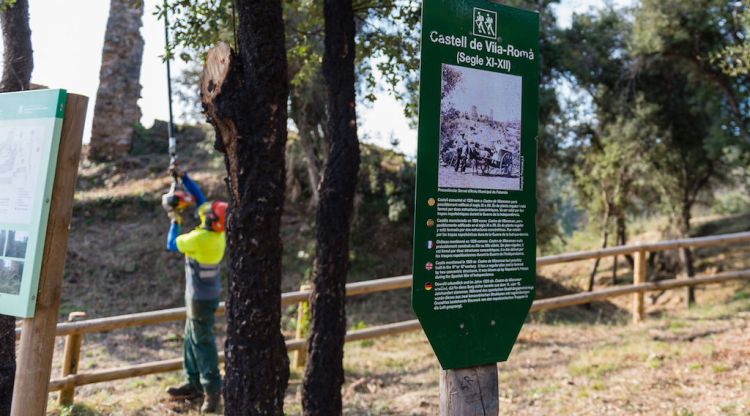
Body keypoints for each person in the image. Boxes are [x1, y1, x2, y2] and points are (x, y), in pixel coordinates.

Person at [164, 168, 227, 414]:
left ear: (210, 220)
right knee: (191, 339)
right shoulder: (218, 235)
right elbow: (201, 201)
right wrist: (185, 178)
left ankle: (212, 393)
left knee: (202, 343)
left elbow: (171, 244)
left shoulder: (199, 239)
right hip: (205, 296)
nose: (205, 209)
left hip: (199, 299)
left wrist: (174, 220)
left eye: (209, 212)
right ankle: (192, 384)